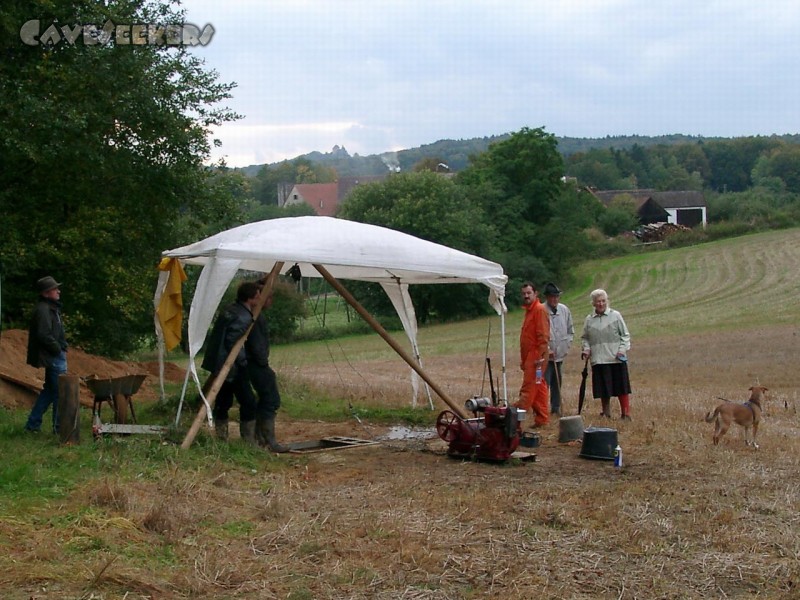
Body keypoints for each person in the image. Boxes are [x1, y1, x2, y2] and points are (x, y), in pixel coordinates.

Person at [201, 281, 259, 443]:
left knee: (223, 401)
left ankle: (221, 438)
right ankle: (248, 440)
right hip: (231, 366)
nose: (260, 298)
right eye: (258, 295)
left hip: (219, 364)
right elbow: (233, 341)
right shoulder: (243, 316)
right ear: (251, 298)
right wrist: (241, 362)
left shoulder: (229, 309)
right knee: (248, 401)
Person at [245, 287, 288, 453]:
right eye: (269, 297)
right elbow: (256, 346)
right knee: (270, 399)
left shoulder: (254, 315)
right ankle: (269, 440)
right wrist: (263, 362)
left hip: (253, 363)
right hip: (256, 363)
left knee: (266, 400)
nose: (271, 301)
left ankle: (261, 437)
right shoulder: (255, 318)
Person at [580, 288, 632, 420]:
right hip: (599, 359)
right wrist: (586, 349)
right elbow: (585, 338)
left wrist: (622, 350)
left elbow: (625, 335)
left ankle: (626, 414)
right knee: (603, 389)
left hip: (616, 358)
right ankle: (606, 413)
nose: (601, 304)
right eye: (598, 301)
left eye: (603, 301)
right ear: (593, 303)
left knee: (622, 388)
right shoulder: (589, 320)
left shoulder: (616, 315)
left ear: (607, 301)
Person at [25, 276, 68, 433]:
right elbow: (43, 334)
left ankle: (32, 424)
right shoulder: (43, 309)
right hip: (54, 356)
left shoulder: (50, 307)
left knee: (50, 391)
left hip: (56, 354)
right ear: (45, 293)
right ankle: (59, 428)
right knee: (60, 392)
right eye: (54, 289)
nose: (58, 291)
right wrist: (57, 349)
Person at [516, 281, 551, 428]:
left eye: (529, 293)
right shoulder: (529, 311)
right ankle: (542, 419)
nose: (526, 296)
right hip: (529, 356)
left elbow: (543, 336)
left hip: (536, 356)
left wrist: (540, 357)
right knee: (539, 385)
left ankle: (515, 419)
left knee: (529, 388)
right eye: (524, 293)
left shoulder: (539, 310)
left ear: (535, 294)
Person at [543, 283, 574, 417]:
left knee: (557, 381)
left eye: (557, 296)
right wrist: (546, 349)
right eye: (552, 297)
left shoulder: (564, 310)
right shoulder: (541, 310)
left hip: (559, 355)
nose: (555, 299)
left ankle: (555, 407)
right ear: (547, 298)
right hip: (544, 356)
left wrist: (566, 346)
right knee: (544, 383)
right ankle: (542, 409)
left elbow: (570, 330)